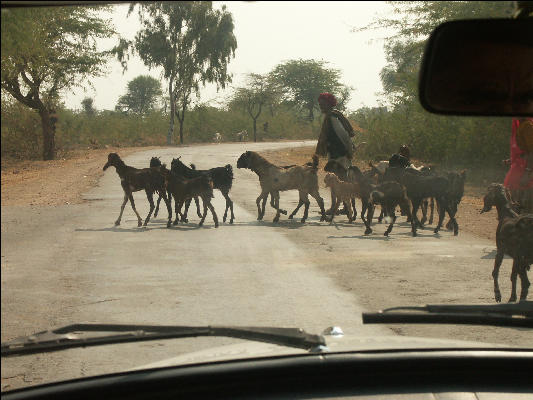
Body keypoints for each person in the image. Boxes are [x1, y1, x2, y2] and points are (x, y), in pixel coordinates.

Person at [315, 92, 357, 214]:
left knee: (336, 181)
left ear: (329, 104)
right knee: (343, 180)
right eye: (320, 104)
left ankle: (336, 208)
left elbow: (343, 136)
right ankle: (344, 207)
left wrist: (348, 151)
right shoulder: (335, 115)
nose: (321, 106)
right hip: (337, 154)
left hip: (339, 156)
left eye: (323, 104)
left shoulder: (332, 117)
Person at [503, 117, 533, 212]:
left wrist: (527, 173)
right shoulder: (521, 125)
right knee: (513, 199)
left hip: (526, 170)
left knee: (524, 205)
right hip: (521, 167)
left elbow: (532, 151)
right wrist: (513, 160)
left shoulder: (527, 126)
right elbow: (524, 151)